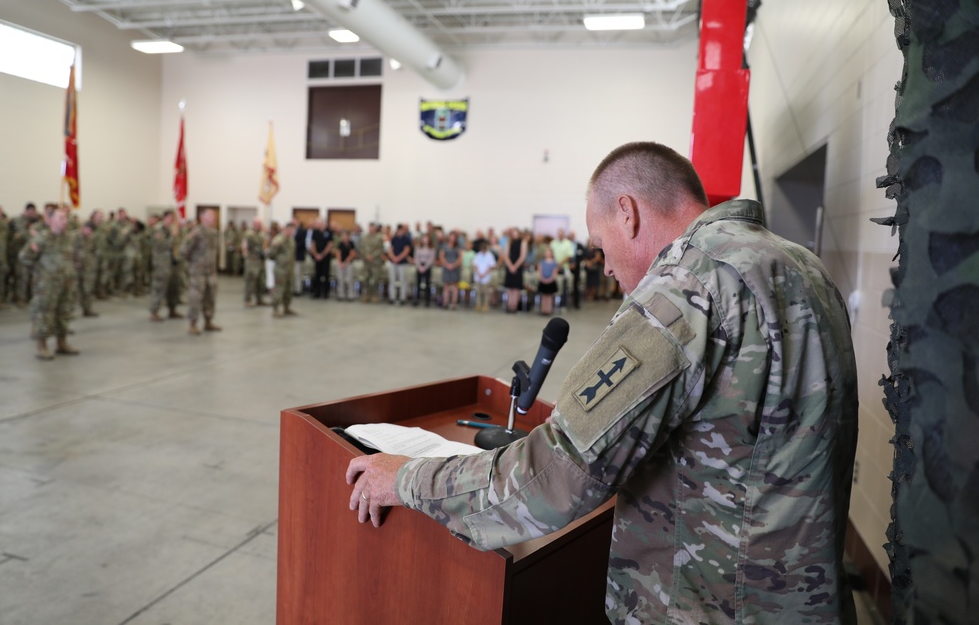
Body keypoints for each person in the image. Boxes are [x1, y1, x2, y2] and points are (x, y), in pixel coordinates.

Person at [345, 141, 859, 624]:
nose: (606, 266)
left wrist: (406, 480)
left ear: (628, 213)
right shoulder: (801, 266)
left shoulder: (688, 286)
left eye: (600, 243)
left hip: (711, 605)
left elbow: (554, 476)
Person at [20, 206, 79, 360]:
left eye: (66, 218)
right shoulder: (42, 238)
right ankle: (42, 346)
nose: (65, 221)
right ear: (51, 220)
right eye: (61, 218)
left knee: (64, 311)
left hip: (66, 282)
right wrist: (40, 272)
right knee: (44, 313)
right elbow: (25, 257)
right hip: (47, 285)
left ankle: (62, 343)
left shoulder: (69, 238)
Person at [180, 208, 221, 335]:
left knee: (210, 297)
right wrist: (194, 264)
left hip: (211, 272)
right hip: (198, 272)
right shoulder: (196, 233)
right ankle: (193, 323)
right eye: (210, 216)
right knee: (195, 298)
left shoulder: (214, 233)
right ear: (202, 218)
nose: (213, 218)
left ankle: (208, 321)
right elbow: (183, 250)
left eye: (214, 216)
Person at [148, 211, 178, 322]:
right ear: (164, 218)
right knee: (159, 288)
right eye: (170, 218)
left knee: (173, 288)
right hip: (161, 264)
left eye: (173, 218)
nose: (171, 220)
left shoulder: (169, 230)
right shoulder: (158, 230)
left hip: (171, 263)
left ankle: (172, 309)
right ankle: (154, 311)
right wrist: (173, 237)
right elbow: (162, 245)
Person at [268, 221, 298, 317]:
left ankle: (286, 308)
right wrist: (280, 260)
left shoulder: (291, 240)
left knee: (288, 290)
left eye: (293, 231)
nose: (292, 232)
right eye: (291, 230)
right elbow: (271, 254)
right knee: (279, 290)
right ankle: (275, 309)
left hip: (289, 269)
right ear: (287, 229)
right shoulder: (278, 240)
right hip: (281, 269)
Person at [241, 219, 266, 307]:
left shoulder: (261, 234)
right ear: (254, 224)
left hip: (260, 260)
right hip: (252, 260)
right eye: (257, 224)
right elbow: (244, 246)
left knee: (260, 281)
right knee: (250, 280)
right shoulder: (249, 234)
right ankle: (247, 300)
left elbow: (264, 245)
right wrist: (246, 257)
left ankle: (259, 299)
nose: (259, 225)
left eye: (260, 224)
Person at [501, 228, 527, 313]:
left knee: (516, 288)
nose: (515, 235)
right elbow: (506, 255)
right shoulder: (509, 242)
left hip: (518, 266)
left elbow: (522, 256)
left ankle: (514, 306)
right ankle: (509, 305)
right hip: (510, 266)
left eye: (516, 233)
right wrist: (510, 266)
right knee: (509, 287)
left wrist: (515, 266)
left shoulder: (523, 242)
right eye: (513, 233)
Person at [387, 223, 413, 304]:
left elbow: (406, 250)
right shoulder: (394, 239)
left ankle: (402, 297)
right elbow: (390, 249)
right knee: (392, 280)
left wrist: (398, 258)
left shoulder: (406, 239)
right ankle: (392, 297)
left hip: (402, 263)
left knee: (402, 280)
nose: (400, 231)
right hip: (393, 262)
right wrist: (393, 258)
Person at [307, 219, 333, 299]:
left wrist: (322, 254)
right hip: (317, 256)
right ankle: (316, 292)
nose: (318, 225)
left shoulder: (329, 232)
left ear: (323, 224)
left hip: (325, 256)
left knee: (326, 275)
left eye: (319, 223)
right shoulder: (315, 232)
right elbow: (313, 243)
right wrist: (315, 254)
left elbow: (330, 244)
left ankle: (325, 293)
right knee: (317, 274)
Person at [360, 223, 385, 303]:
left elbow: (380, 249)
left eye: (373, 228)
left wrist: (372, 256)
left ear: (375, 229)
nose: (371, 229)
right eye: (370, 227)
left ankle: (375, 295)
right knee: (366, 279)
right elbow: (362, 248)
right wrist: (366, 255)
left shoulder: (379, 238)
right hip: (366, 262)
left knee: (375, 279)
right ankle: (367, 294)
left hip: (376, 262)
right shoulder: (364, 238)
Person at [437, 232, 461, 310]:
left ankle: (454, 303)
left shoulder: (458, 247)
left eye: (454, 237)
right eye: (451, 236)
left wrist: (454, 265)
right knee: (446, 286)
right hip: (446, 267)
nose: (452, 238)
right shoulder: (444, 246)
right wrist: (446, 264)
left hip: (455, 267)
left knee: (454, 285)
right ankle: (445, 302)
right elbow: (442, 256)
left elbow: (460, 257)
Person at [471, 240, 496, 312]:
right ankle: (478, 304)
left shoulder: (490, 255)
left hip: (486, 276)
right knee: (478, 291)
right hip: (478, 276)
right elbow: (475, 265)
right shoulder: (478, 255)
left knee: (486, 292)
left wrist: (484, 274)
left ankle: (485, 304)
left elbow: (491, 266)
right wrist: (478, 273)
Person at [412, 233, 435, 307]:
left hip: (427, 266)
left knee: (427, 284)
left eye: (427, 238)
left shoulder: (431, 248)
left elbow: (431, 259)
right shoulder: (418, 247)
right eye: (424, 238)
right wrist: (419, 266)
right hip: (419, 266)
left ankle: (427, 300)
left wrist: (425, 267)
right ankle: (416, 299)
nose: (425, 240)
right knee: (418, 284)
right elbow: (416, 257)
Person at [334, 230, 358, 301]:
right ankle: (341, 294)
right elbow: (338, 253)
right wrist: (340, 262)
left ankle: (351, 295)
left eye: (345, 236)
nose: (344, 237)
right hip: (340, 263)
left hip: (349, 263)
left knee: (349, 279)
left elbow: (352, 254)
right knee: (340, 279)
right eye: (343, 236)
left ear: (348, 236)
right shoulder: (340, 244)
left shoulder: (351, 243)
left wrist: (345, 262)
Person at [536, 247, 559, 315]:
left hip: (551, 281)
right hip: (543, 280)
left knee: (549, 296)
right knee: (543, 296)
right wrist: (542, 279)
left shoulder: (554, 262)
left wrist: (550, 279)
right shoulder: (541, 262)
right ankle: (543, 309)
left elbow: (555, 273)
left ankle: (548, 309)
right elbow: (539, 271)